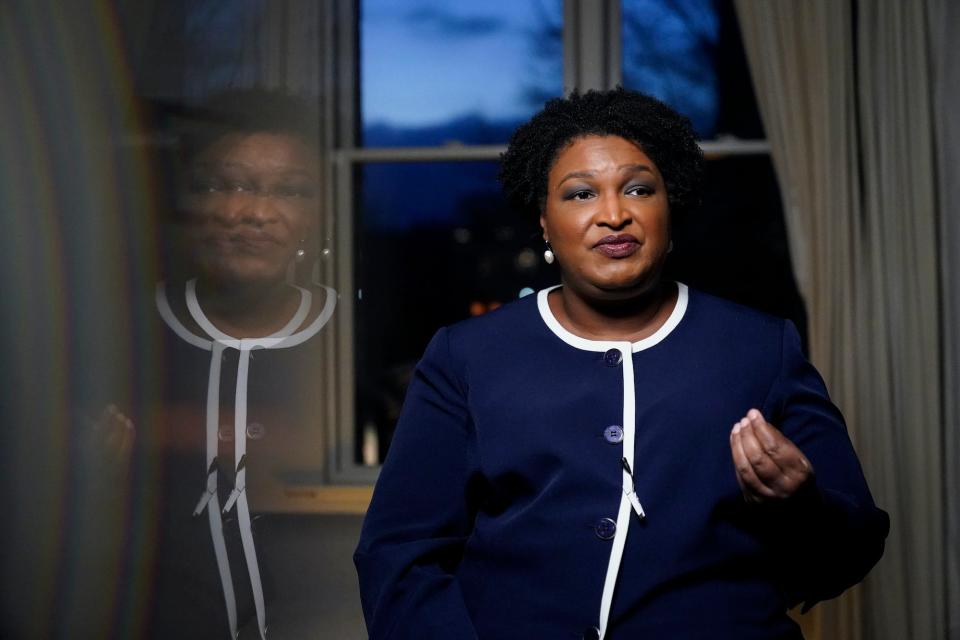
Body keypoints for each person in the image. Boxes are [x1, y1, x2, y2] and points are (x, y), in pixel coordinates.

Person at [354, 88, 888, 639]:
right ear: (544, 221)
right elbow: (399, 554)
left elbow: (848, 554)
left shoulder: (760, 348)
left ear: (669, 207)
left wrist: (800, 506)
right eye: (581, 194)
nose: (614, 215)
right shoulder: (467, 355)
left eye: (638, 189)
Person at [148, 88, 336, 639]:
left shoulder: (356, 344)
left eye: (291, 191)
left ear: (320, 214)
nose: (250, 212)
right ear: (181, 199)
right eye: (216, 184)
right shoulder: (118, 340)